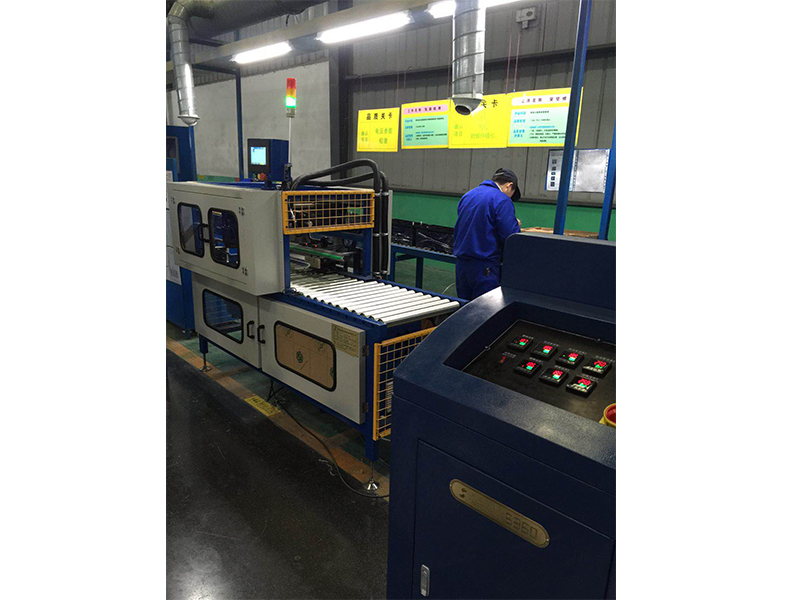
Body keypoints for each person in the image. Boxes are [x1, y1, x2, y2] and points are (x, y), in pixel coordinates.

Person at [453, 168, 522, 301]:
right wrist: (515, 225)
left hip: (462, 265)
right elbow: (510, 237)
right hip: (485, 268)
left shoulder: (468, 195)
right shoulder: (502, 200)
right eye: (512, 194)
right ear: (509, 186)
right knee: (485, 309)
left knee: (465, 307)